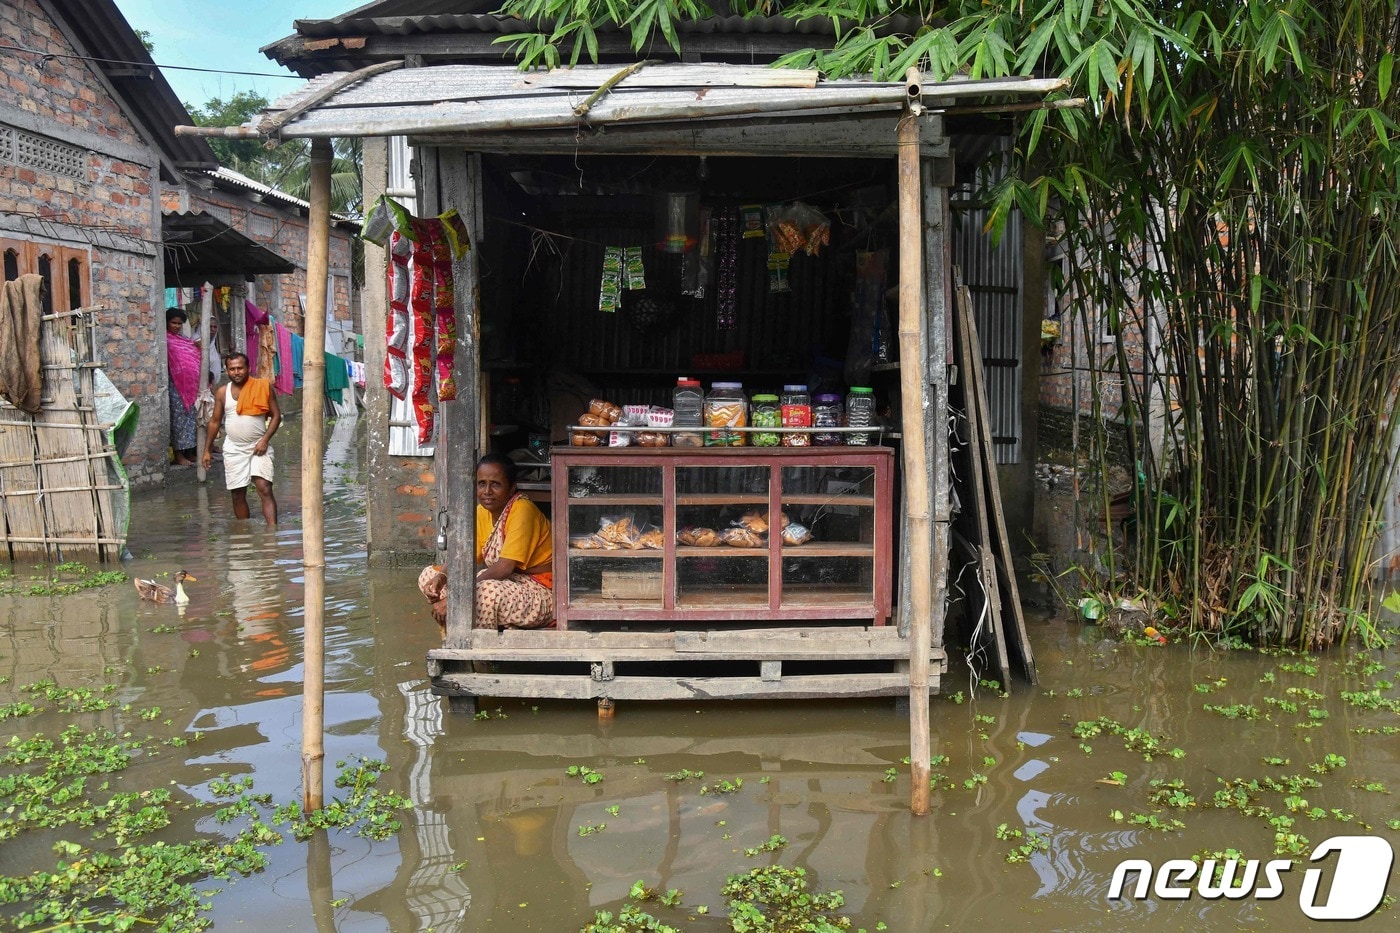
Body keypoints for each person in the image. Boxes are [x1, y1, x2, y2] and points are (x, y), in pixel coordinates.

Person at [202, 352, 280, 525]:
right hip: (234, 449)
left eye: (240, 368)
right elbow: (214, 422)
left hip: (259, 447)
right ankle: (244, 533)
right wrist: (207, 450)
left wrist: (265, 440)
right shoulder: (222, 392)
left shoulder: (263, 387)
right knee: (237, 493)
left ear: (248, 368)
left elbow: (276, 416)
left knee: (265, 488)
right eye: (232, 369)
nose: (236, 372)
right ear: (227, 370)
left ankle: (272, 533)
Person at [165, 308, 202, 466]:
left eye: (180, 323)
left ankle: (190, 452)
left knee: (191, 419)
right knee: (178, 420)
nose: (177, 326)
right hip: (176, 387)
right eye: (173, 323)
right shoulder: (165, 340)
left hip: (190, 389)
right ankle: (178, 455)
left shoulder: (184, 340)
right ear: (167, 322)